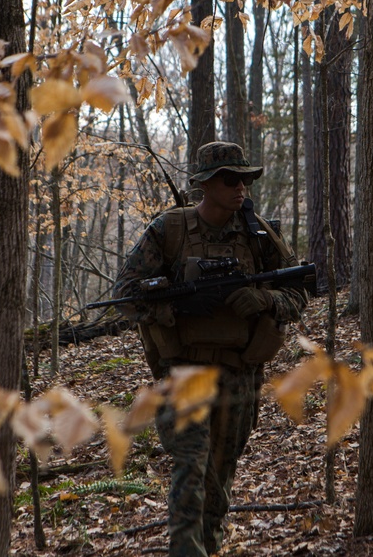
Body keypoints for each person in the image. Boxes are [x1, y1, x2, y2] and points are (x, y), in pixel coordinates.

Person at [113, 141, 308, 556]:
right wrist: (175, 307)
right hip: (183, 373)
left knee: (219, 475)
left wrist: (266, 300)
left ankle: (209, 545)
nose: (240, 188)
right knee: (190, 466)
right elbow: (126, 296)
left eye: (245, 179)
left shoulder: (258, 235)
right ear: (204, 185)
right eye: (230, 179)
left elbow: (299, 292)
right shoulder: (169, 230)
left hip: (239, 373)